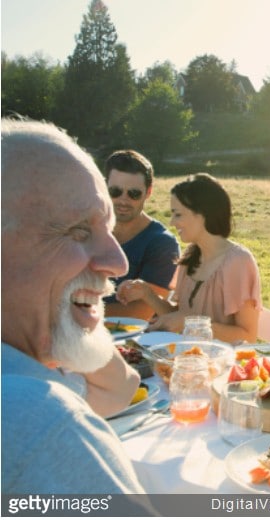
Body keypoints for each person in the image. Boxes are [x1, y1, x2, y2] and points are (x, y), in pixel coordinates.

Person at [1, 117, 144, 493]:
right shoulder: (46, 424)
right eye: (78, 231)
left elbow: (118, 389)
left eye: (108, 231)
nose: (118, 262)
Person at [115, 172, 261, 344]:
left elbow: (247, 336)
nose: (172, 222)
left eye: (178, 214)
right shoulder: (190, 257)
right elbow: (178, 317)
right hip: (186, 359)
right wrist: (147, 294)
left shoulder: (238, 262)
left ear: (202, 213)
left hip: (221, 364)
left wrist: (190, 323)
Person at [103, 149, 180, 320]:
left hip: (127, 340)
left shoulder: (161, 244)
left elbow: (139, 313)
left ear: (148, 192)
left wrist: (71, 316)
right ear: (103, 187)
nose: (123, 200)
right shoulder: (87, 229)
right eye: (115, 191)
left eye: (134, 193)